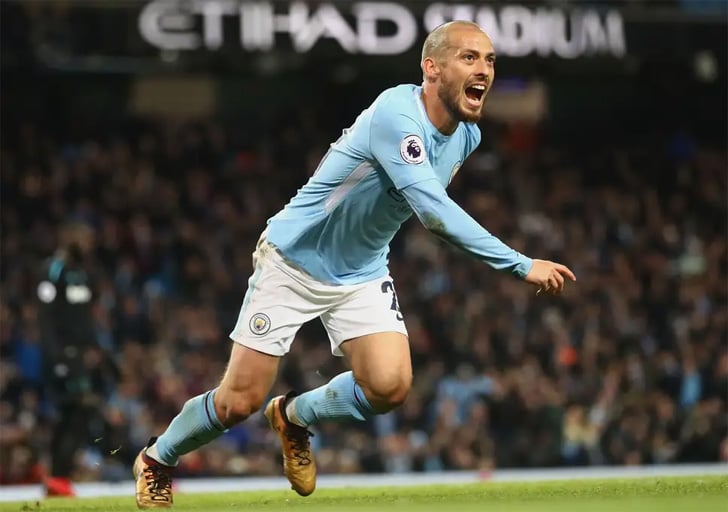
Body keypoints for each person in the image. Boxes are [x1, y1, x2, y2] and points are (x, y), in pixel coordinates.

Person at [132, 20, 575, 509]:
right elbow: (432, 212)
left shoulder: (466, 136)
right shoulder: (395, 114)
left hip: (361, 270)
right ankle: (157, 459)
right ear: (432, 68)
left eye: (490, 60)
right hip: (294, 259)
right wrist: (520, 264)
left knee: (390, 387)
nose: (485, 70)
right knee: (239, 401)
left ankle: (295, 416)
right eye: (469, 57)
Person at [36, 221, 101, 497]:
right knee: (79, 409)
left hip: (79, 354)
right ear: (69, 238)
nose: (88, 244)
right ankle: (58, 475)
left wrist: (95, 348)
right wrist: (57, 357)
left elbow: (84, 318)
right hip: (63, 355)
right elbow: (46, 317)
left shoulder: (81, 274)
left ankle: (56, 477)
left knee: (74, 412)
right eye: (83, 238)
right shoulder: (55, 269)